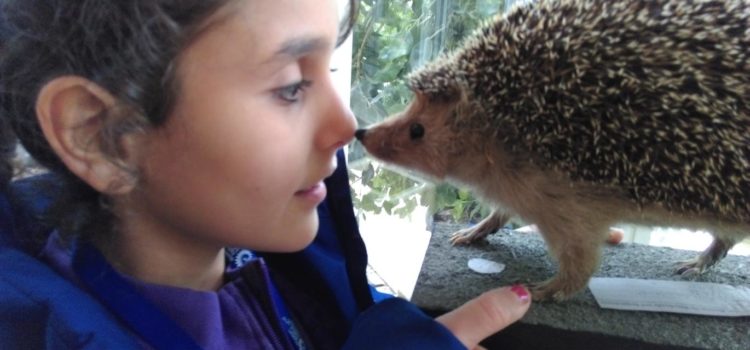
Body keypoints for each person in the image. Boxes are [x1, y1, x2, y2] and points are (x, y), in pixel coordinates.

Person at [0, 0, 531, 349]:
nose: (346, 127)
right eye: (290, 86)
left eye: (328, 70)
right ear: (101, 136)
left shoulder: (287, 261)